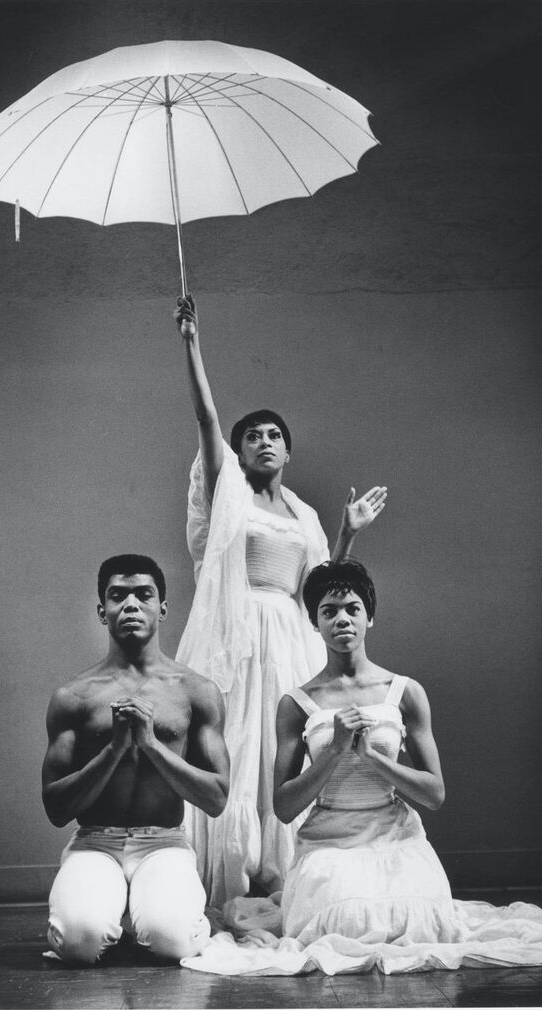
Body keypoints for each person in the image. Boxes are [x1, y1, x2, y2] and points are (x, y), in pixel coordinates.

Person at [181, 560, 542, 975]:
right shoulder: (297, 703)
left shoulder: (404, 691)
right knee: (343, 926)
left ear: (370, 617)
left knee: (422, 925)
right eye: (329, 612)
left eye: (353, 609)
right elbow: (283, 808)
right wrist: (332, 753)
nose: (342, 620)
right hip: (329, 846)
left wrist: (372, 755)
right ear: (315, 623)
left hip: (395, 839)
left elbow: (434, 794)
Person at [174, 293, 388, 908]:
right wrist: (192, 344)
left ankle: (287, 882)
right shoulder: (229, 496)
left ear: (288, 452)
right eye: (253, 436)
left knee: (285, 751)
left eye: (274, 436)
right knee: (238, 750)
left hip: (289, 634)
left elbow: (321, 587)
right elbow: (206, 423)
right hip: (238, 637)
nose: (263, 441)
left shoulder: (304, 514)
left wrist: (347, 531)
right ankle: (231, 885)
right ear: (239, 452)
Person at [41, 554, 230, 966]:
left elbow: (216, 797)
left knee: (174, 942)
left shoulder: (196, 691)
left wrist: (150, 745)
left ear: (162, 607)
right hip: (94, 842)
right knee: (80, 942)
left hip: (163, 841)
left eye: (144, 595)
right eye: (117, 596)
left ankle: (153, 912)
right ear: (101, 610)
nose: (131, 605)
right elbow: (56, 808)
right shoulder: (73, 696)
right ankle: (108, 913)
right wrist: (113, 751)